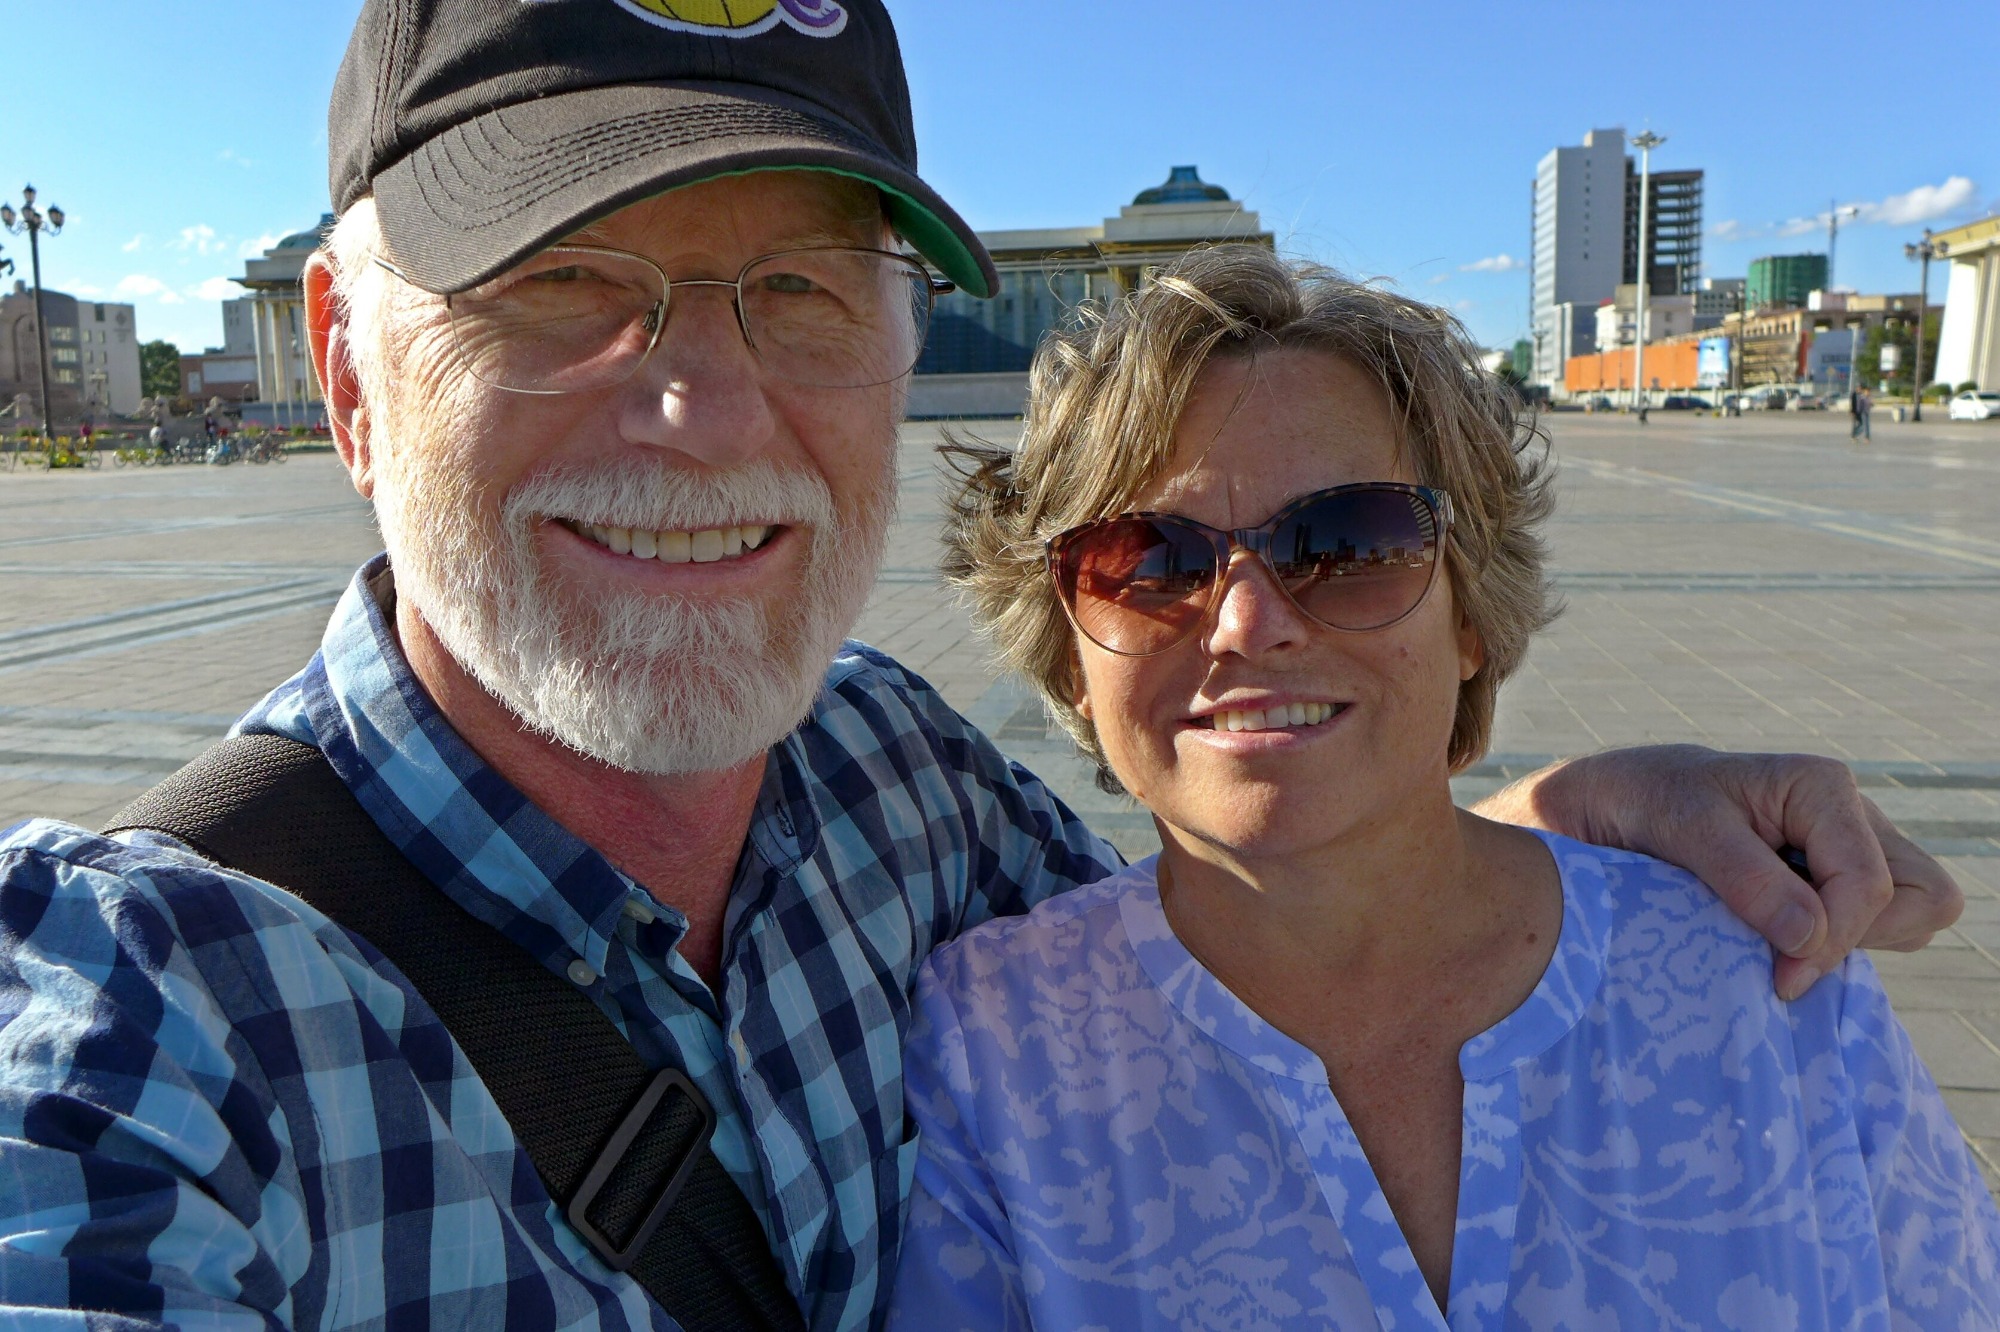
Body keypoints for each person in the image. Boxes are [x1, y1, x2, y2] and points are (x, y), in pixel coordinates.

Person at [0, 4, 1962, 1329]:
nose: (704, 407)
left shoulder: (890, 787)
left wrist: (1566, 822)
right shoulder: (147, 1015)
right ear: (346, 366)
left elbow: (1260, 914)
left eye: (797, 290)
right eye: (564, 287)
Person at [888, 248, 1999, 1329]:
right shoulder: (992, 1049)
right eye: (1146, 562)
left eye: (1349, 542)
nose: (1246, 625)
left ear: (1470, 616)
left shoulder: (1771, 983)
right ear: (1069, 664)